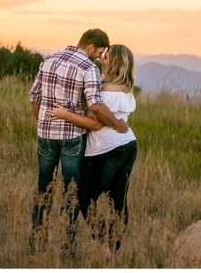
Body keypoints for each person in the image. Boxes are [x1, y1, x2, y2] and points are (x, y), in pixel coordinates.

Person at [28, 28, 128, 252]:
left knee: (43, 188)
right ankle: (67, 248)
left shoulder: (49, 60)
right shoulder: (88, 68)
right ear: (90, 46)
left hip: (45, 135)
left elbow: (34, 97)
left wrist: (43, 123)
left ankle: (36, 245)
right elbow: (96, 106)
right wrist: (116, 123)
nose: (99, 58)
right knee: (71, 191)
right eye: (99, 52)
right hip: (73, 138)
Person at [48, 44, 138, 250]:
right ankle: (113, 248)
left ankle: (102, 244)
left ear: (115, 62)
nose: (101, 60)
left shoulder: (105, 90)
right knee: (118, 200)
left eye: (106, 57)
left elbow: (96, 124)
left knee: (84, 197)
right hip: (128, 145)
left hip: (105, 149)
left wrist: (64, 114)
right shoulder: (125, 87)